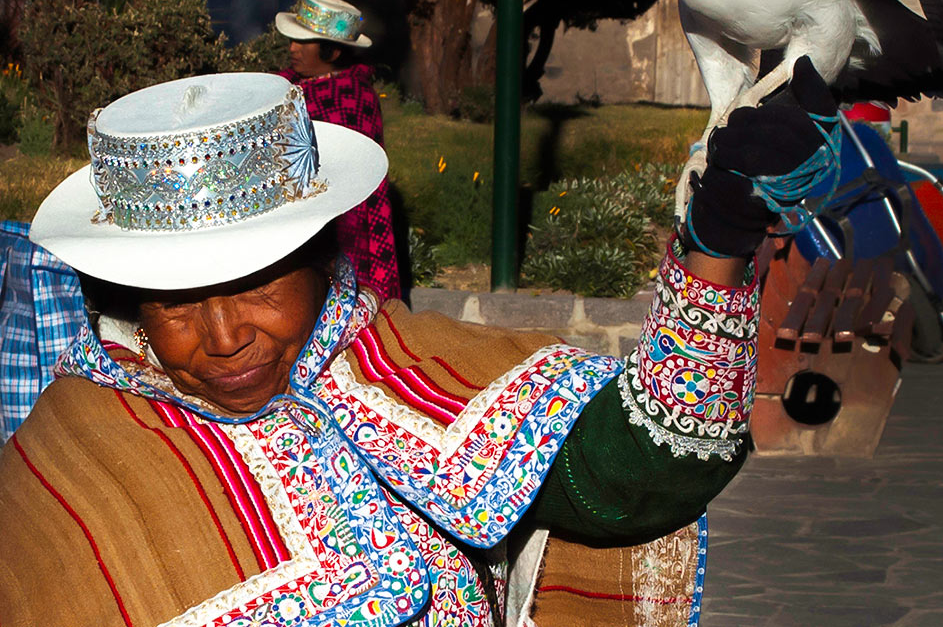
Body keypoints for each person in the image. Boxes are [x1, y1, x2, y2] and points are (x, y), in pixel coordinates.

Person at [0, 61, 839, 626]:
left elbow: (632, 476)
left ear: (319, 258)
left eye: (259, 285)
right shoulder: (72, 463)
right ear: (126, 300)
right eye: (177, 306)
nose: (224, 339)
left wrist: (717, 240)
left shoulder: (401, 364)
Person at [276, 0, 401, 303]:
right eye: (293, 40)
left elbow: (358, 176)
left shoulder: (355, 98)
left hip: (345, 224)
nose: (293, 49)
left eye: (303, 42)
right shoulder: (283, 92)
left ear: (331, 52)